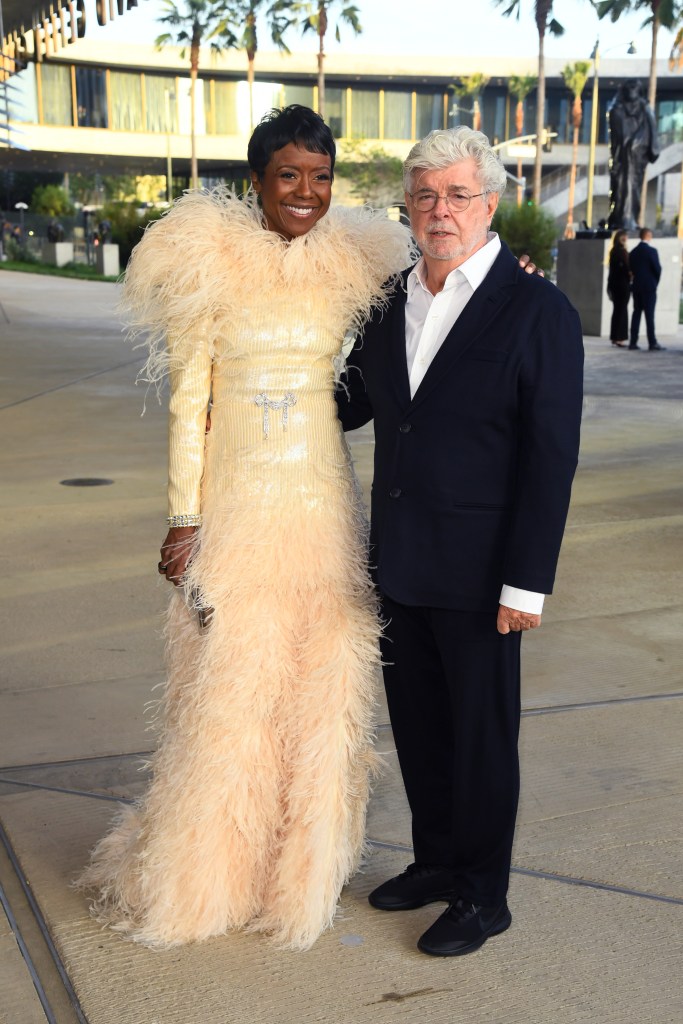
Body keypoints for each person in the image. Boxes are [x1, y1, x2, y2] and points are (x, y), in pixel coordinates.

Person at [77, 105, 415, 950]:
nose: (307, 191)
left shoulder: (358, 263)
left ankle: (293, 879)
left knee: (317, 691)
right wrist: (184, 518)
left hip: (323, 507)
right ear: (257, 181)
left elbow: (394, 361)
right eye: (289, 175)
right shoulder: (207, 261)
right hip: (236, 506)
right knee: (231, 693)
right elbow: (191, 400)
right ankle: (209, 878)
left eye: (321, 175)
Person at [336, 126, 584, 958]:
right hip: (399, 561)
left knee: (481, 741)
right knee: (419, 729)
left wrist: (525, 583)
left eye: (458, 195)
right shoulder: (384, 300)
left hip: (483, 575)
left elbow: (550, 456)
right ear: (406, 205)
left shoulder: (536, 308)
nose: (441, 212)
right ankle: (437, 862)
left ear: (490, 202)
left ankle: (484, 895)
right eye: (425, 195)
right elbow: (348, 403)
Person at [607, 81, 659, 232]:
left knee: (634, 188)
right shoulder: (617, 108)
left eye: (635, 90)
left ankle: (630, 218)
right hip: (621, 158)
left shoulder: (644, 109)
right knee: (619, 188)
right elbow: (616, 128)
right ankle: (620, 219)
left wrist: (638, 144)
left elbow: (651, 130)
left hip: (637, 159)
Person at [628, 227, 665, 351]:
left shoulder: (633, 252)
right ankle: (652, 342)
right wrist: (654, 282)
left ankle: (633, 342)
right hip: (649, 287)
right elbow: (658, 269)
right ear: (648, 236)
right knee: (649, 316)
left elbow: (631, 269)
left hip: (637, 286)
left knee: (636, 313)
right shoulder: (652, 251)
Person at [607, 229, 631, 347]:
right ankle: (619, 338)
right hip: (622, 285)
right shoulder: (620, 251)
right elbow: (625, 269)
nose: (625, 238)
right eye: (623, 236)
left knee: (618, 311)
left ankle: (615, 337)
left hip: (615, 285)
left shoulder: (614, 251)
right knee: (621, 311)